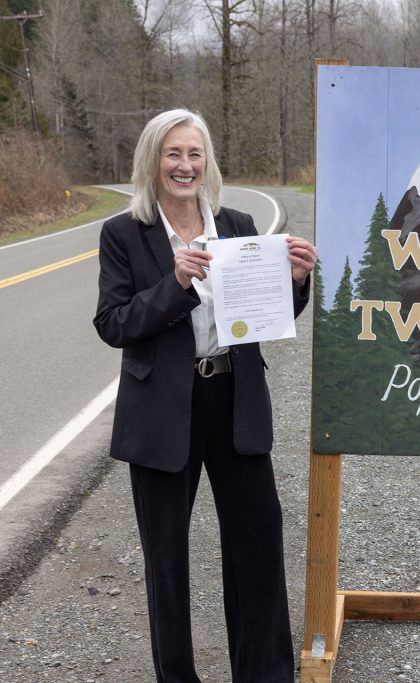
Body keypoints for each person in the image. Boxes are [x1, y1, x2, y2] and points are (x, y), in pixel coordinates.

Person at [94, 108, 317, 683]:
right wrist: (176, 284)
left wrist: (295, 282)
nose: (185, 166)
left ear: (207, 162)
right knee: (166, 562)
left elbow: (268, 317)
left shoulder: (239, 225)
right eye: (173, 154)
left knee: (259, 547)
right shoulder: (124, 234)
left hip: (234, 401)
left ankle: (263, 673)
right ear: (153, 161)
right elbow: (114, 323)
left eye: (194, 154)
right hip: (161, 414)